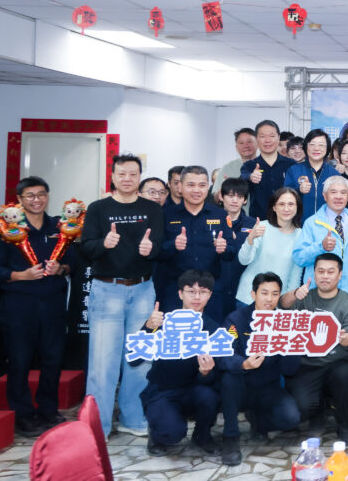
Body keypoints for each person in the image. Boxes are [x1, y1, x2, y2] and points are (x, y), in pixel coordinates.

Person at [79, 154, 164, 437]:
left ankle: (133, 418)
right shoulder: (98, 208)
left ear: (140, 177)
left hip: (143, 289)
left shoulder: (152, 209)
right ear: (113, 177)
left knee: (140, 359)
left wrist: (150, 250)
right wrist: (103, 244)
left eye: (133, 174)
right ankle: (98, 426)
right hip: (107, 290)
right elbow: (86, 248)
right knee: (103, 362)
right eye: (122, 174)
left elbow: (159, 246)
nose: (127, 178)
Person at [0, 176, 74, 436]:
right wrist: (19, 275)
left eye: (42, 194)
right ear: (20, 199)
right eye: (30, 195)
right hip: (18, 305)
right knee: (19, 361)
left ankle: (48, 409)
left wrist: (61, 268)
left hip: (53, 305)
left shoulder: (60, 227)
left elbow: (74, 262)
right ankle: (23, 415)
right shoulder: (6, 229)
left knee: (53, 360)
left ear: (48, 196)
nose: (37, 200)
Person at [220, 273, 301, 466]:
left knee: (291, 418)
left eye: (275, 293)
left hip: (268, 387)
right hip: (240, 385)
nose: (269, 299)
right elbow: (224, 355)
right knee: (228, 380)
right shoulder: (236, 319)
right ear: (253, 294)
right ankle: (230, 438)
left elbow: (290, 370)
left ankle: (258, 423)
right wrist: (243, 364)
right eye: (264, 293)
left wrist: (291, 344)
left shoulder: (285, 322)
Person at [280, 253, 348, 446]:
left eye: (331, 272)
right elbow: (282, 305)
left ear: (339, 275)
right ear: (314, 273)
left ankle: (345, 424)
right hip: (307, 364)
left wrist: (344, 338)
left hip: (337, 362)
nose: (325, 276)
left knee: (345, 374)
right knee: (300, 409)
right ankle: (317, 412)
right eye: (321, 271)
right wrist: (294, 294)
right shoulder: (304, 297)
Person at [140, 270, 221, 456]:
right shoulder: (161, 322)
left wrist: (206, 373)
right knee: (172, 433)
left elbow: (214, 376)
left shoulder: (213, 329)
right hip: (163, 391)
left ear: (210, 295)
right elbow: (135, 358)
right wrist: (148, 328)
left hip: (193, 391)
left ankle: (202, 435)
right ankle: (158, 434)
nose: (197, 297)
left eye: (203, 292)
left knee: (211, 394)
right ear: (180, 294)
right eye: (191, 291)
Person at [160, 166, 237, 322]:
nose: (196, 190)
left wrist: (224, 249)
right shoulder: (167, 214)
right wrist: (173, 245)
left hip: (210, 290)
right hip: (177, 290)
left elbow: (231, 252)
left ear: (208, 187)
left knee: (211, 333)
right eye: (191, 185)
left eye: (202, 185)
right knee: (176, 334)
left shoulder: (220, 214)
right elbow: (157, 252)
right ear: (180, 187)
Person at [292, 175, 348, 298]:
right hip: (319, 294)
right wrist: (321, 247)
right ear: (325, 196)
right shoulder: (312, 223)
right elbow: (299, 258)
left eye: (343, 192)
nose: (338, 197)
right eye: (333, 192)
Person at [235, 187, 303, 303]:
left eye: (291, 204)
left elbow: (296, 274)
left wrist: (289, 302)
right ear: (274, 207)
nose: (286, 208)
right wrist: (250, 238)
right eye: (281, 204)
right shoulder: (261, 227)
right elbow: (243, 260)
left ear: (297, 207)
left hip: (277, 301)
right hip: (249, 298)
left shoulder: (301, 235)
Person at [241, 120, 296, 220]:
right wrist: (250, 177)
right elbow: (242, 179)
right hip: (259, 222)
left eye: (272, 136)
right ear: (256, 139)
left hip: (288, 222)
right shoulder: (249, 166)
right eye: (262, 136)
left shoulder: (291, 165)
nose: (267, 140)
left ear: (278, 138)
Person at [283, 129, 340, 225]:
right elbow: (285, 198)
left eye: (321, 145)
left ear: (327, 148)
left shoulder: (334, 174)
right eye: (312, 144)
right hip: (298, 226)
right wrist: (299, 190)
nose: (316, 148)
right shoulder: (294, 170)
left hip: (326, 227)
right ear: (306, 147)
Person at [219, 177, 255, 316]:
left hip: (242, 288)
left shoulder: (253, 224)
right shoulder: (212, 221)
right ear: (221, 197)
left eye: (239, 197)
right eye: (230, 196)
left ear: (245, 200)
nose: (235, 200)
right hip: (216, 286)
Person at [212, 128, 257, 199]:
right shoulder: (227, 168)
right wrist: (223, 190)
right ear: (236, 147)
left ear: (258, 143)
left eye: (249, 142)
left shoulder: (265, 165)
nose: (246, 145)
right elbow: (215, 198)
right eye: (241, 143)